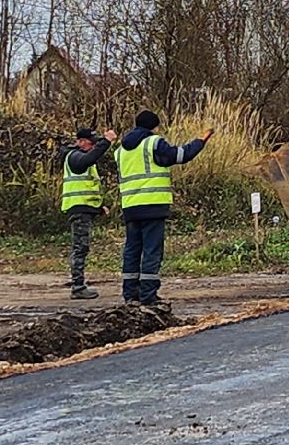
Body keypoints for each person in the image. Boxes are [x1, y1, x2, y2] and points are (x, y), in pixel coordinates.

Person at [115, 109, 212, 307]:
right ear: (154, 127)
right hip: (152, 205)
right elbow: (181, 155)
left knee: (132, 250)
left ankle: (130, 294)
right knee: (152, 250)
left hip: (130, 206)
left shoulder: (120, 150)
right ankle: (148, 295)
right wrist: (201, 140)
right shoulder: (153, 142)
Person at [60, 125, 117, 299]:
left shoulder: (80, 156)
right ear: (81, 142)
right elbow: (88, 160)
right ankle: (77, 287)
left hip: (83, 208)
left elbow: (86, 187)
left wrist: (98, 208)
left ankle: (78, 285)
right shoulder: (75, 157)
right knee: (80, 248)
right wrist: (106, 142)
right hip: (78, 209)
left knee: (81, 247)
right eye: (90, 143)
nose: (92, 147)